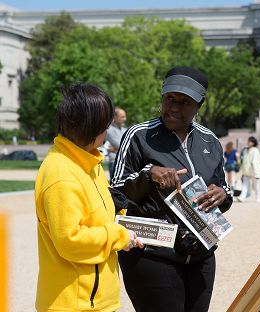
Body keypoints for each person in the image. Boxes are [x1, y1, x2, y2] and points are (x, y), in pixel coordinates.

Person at [112, 66, 233, 312]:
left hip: (201, 257)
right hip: (152, 254)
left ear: (199, 105)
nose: (174, 107)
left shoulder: (211, 141)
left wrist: (222, 195)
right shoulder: (139, 135)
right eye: (169, 99)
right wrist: (148, 176)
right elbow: (114, 193)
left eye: (184, 102)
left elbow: (226, 189)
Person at [34, 83, 142, 311]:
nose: (108, 131)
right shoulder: (60, 174)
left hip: (96, 301)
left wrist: (119, 213)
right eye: (106, 126)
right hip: (75, 304)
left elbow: (97, 215)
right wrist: (118, 235)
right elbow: (69, 241)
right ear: (92, 128)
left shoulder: (87, 161)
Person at [237, 136, 260, 202]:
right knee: (245, 185)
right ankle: (242, 197)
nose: (249, 142)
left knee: (256, 186)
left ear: (254, 143)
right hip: (246, 171)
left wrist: (256, 173)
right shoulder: (245, 150)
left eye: (250, 141)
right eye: (248, 141)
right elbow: (244, 161)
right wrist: (242, 170)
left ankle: (258, 197)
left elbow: (255, 162)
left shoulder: (255, 151)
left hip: (254, 172)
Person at [106, 107, 127, 180]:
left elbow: (129, 145)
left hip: (125, 162)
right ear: (115, 117)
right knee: (116, 188)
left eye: (125, 116)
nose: (125, 119)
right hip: (114, 162)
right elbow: (119, 145)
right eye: (122, 117)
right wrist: (119, 148)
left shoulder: (125, 129)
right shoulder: (109, 130)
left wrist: (115, 149)